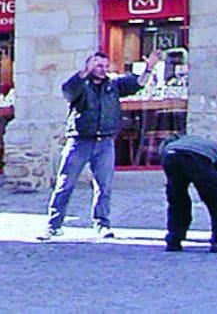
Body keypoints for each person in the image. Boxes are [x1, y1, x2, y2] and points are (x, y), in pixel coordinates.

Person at [41, 50, 149, 240]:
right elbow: (68, 91)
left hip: (105, 141)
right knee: (65, 183)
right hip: (80, 140)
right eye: (98, 65)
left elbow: (137, 84)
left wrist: (149, 68)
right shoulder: (80, 84)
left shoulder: (113, 85)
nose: (102, 69)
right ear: (89, 66)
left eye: (105, 66)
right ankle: (54, 225)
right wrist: (83, 73)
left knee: (104, 186)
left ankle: (102, 224)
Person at [161, 134, 217, 253]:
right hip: (198, 157)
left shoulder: (170, 146)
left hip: (170, 157)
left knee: (178, 200)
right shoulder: (211, 147)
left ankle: (174, 240)